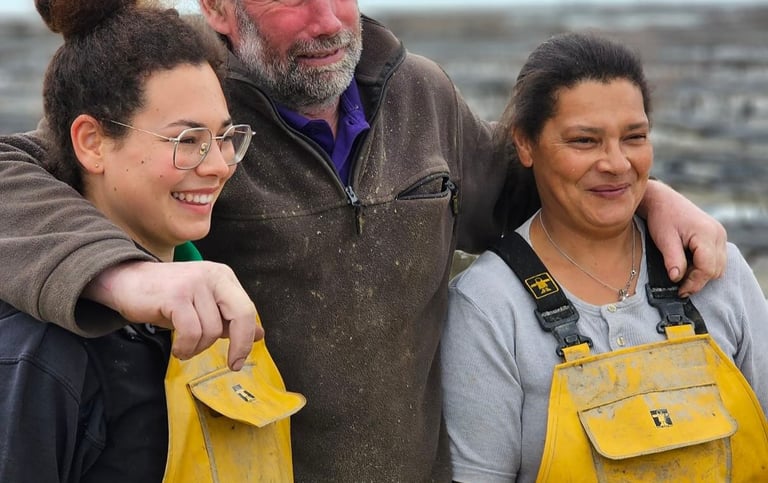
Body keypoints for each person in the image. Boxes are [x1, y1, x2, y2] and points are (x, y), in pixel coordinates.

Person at [0, 1, 728, 480]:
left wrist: (645, 194)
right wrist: (126, 275)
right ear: (220, 10)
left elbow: (521, 192)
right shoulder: (180, 94)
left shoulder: (420, 94)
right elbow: (26, 172)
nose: (326, 21)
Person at [440, 32, 768, 482]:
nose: (616, 163)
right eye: (585, 141)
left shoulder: (715, 271)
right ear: (525, 144)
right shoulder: (488, 307)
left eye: (634, 137)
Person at [0, 1, 304, 481]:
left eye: (224, 137)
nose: (219, 165)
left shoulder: (214, 289)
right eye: (186, 140)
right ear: (92, 144)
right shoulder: (44, 353)